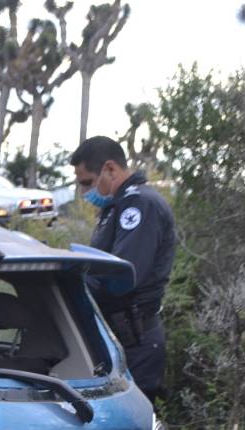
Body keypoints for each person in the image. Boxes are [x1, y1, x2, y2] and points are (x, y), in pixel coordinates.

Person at [70, 136, 175, 404]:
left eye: (87, 182)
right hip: (115, 338)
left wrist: (71, 286)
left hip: (135, 341)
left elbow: (121, 276)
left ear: (110, 169)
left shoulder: (140, 205)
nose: (84, 192)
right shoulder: (115, 208)